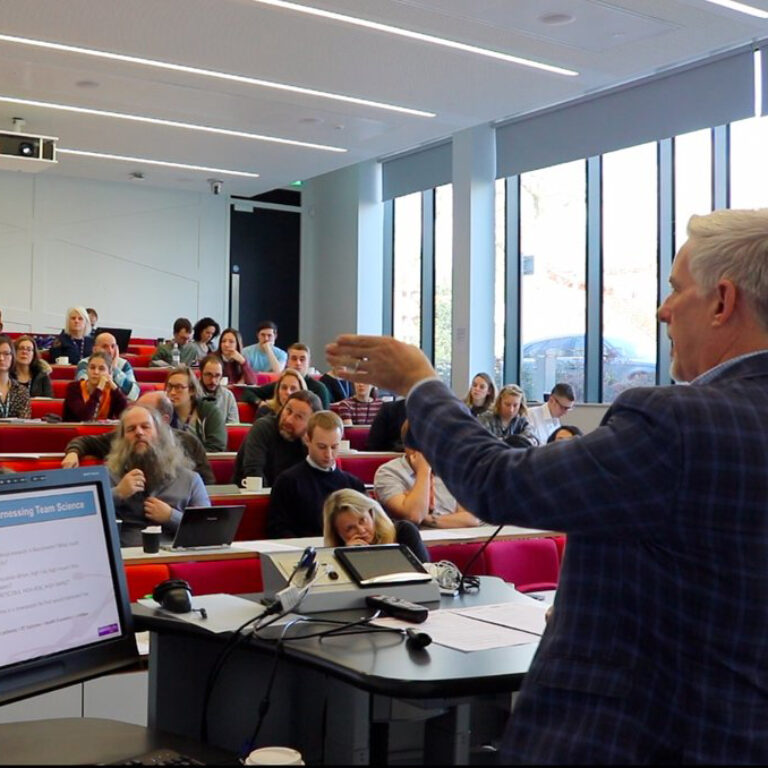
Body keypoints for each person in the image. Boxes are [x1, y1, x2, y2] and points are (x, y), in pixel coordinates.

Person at [325, 207, 768, 764]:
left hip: (634, 736)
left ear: (724, 301)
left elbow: (496, 482)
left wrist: (420, 382)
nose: (663, 310)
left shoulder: (677, 423)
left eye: (676, 289)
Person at [107, 405, 210, 547]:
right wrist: (117, 494)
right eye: (131, 429)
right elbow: (87, 521)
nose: (139, 433)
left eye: (145, 427)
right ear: (123, 439)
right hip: (127, 561)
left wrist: (171, 516)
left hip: (177, 560)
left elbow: (208, 531)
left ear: (159, 434)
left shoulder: (190, 480)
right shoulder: (109, 476)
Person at [61, 391, 215, 485]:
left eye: (146, 422)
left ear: (164, 420)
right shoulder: (128, 438)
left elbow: (206, 484)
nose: (139, 431)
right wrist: (73, 452)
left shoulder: (189, 442)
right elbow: (85, 442)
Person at [267, 411, 366, 538]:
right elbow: (277, 528)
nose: (329, 455)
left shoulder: (354, 484)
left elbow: (368, 525)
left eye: (334, 447)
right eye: (322, 447)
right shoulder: (288, 481)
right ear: (307, 440)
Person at [374, 421, 481, 529]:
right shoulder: (388, 472)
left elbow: (471, 519)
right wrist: (423, 471)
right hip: (414, 542)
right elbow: (414, 516)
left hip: (456, 538)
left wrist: (427, 518)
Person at [232, 390, 321, 487]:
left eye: (299, 417)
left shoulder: (310, 442)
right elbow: (253, 472)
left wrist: (307, 448)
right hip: (256, 496)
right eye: (288, 411)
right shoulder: (263, 428)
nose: (289, 420)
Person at [323, 488, 429, 563]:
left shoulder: (404, 532)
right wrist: (349, 557)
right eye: (350, 528)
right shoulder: (334, 557)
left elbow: (426, 577)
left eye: (362, 520)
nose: (361, 530)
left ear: (371, 514)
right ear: (338, 533)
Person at [243, 343, 330, 408]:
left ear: (309, 362)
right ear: (287, 362)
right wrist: (260, 403)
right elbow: (247, 392)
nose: (298, 363)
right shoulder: (280, 385)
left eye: (302, 359)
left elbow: (323, 420)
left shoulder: (319, 389)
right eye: (294, 359)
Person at [164, 365, 227, 452]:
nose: (172, 392)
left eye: (179, 387)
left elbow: (216, 446)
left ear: (192, 390)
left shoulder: (209, 411)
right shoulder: (163, 412)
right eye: (170, 387)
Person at [63, 351, 128, 421]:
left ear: (109, 372)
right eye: (92, 368)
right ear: (87, 370)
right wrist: (99, 388)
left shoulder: (112, 391)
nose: (96, 372)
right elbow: (85, 417)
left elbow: (125, 415)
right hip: (76, 431)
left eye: (101, 369)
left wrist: (114, 387)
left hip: (105, 431)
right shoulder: (73, 388)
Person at [74, 332, 140, 401]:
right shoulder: (85, 364)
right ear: (95, 349)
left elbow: (134, 395)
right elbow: (83, 391)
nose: (110, 351)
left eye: (113, 346)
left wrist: (114, 369)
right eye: (105, 346)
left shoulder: (124, 364)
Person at [199, 354, 239, 423]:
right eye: (209, 374)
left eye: (217, 375)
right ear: (201, 373)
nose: (213, 381)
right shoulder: (190, 394)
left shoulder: (228, 396)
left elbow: (233, 427)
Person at [0, 335, 31, 418]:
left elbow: (24, 425)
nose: (1, 358)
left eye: (6, 354)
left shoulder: (22, 391)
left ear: (12, 356)